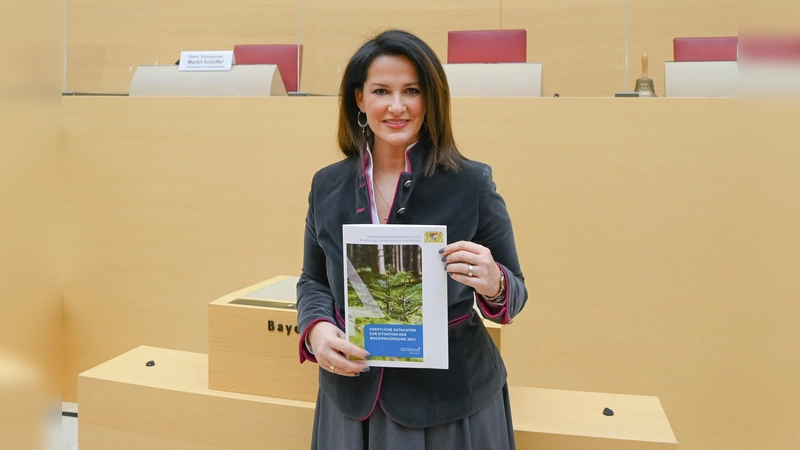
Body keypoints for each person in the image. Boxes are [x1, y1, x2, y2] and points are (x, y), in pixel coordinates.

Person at [296, 29, 528, 450]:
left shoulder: (471, 182)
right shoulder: (327, 185)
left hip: (451, 404)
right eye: (381, 90)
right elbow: (312, 281)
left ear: (430, 100)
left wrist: (494, 282)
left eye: (412, 91)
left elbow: (515, 292)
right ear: (359, 100)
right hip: (353, 397)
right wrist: (316, 330)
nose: (397, 106)